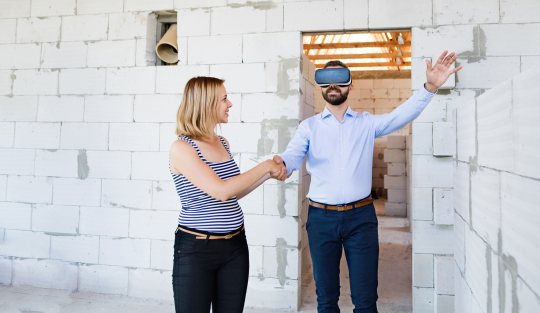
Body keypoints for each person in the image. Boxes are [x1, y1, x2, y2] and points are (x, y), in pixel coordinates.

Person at [274, 52, 462, 313]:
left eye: (339, 79)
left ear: (350, 85)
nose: (333, 85)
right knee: (326, 300)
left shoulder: (367, 124)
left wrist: (429, 88)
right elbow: (292, 154)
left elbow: (401, 115)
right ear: (321, 85)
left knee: (365, 301)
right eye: (327, 80)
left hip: (360, 219)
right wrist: (283, 163)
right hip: (321, 219)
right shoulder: (309, 128)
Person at [169, 76, 287, 313]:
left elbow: (233, 191)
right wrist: (264, 166)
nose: (230, 103)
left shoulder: (222, 142)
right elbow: (221, 191)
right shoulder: (182, 148)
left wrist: (269, 175)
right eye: (224, 99)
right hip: (196, 251)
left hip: (235, 248)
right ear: (206, 104)